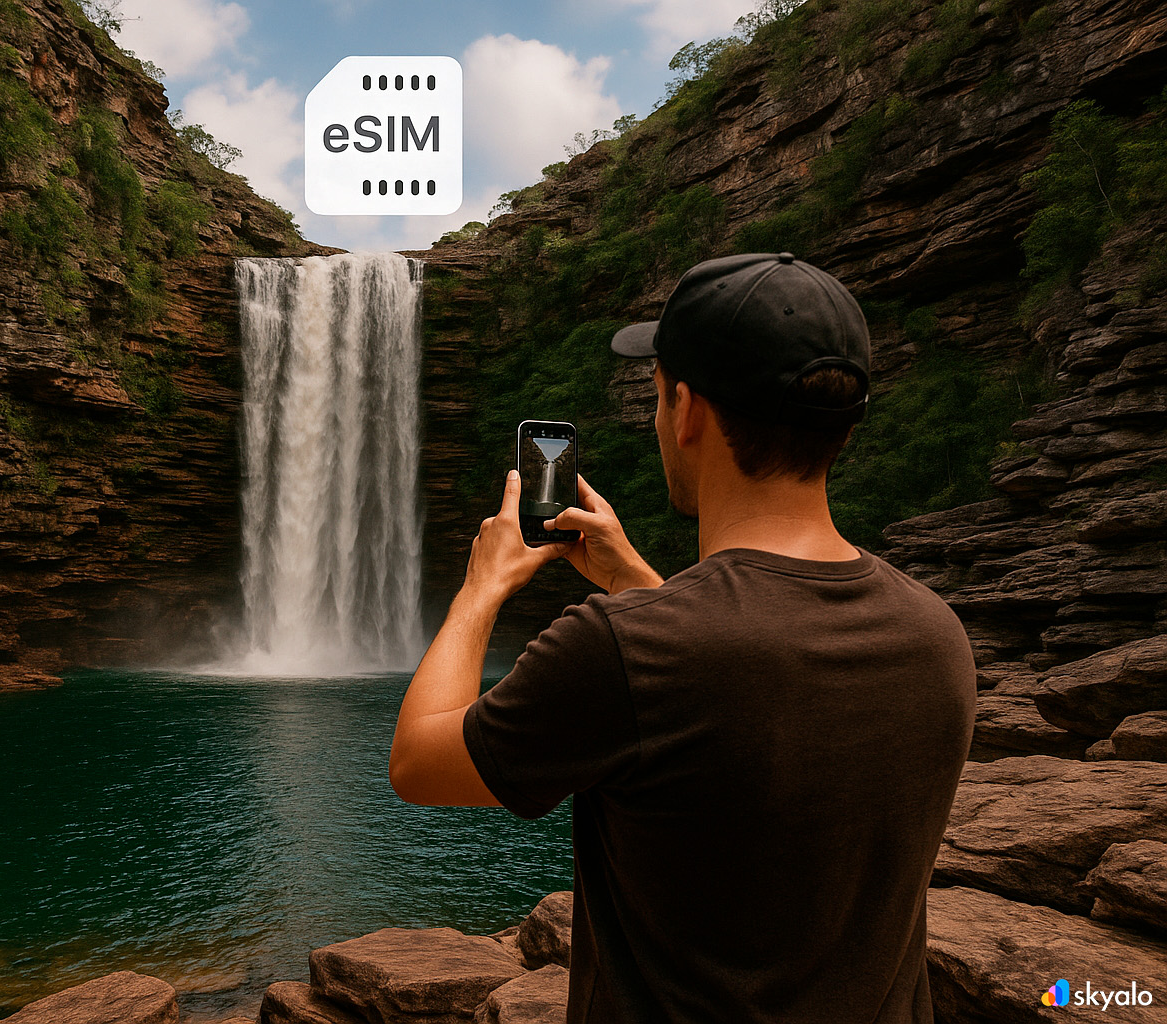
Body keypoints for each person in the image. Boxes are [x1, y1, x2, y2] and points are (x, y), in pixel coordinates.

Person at [388, 252, 977, 1024]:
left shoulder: (623, 648)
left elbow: (419, 762)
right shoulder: (937, 632)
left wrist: (481, 589)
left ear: (688, 412)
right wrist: (638, 580)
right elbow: (744, 677)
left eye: (659, 395)